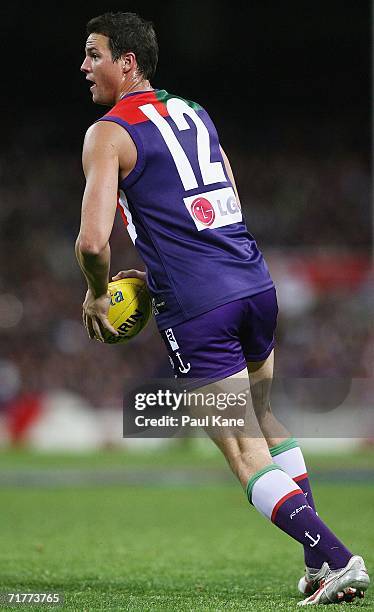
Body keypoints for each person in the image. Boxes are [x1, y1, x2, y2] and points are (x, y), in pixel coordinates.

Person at [76, 12, 369, 606]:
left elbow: (91, 242)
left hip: (198, 303)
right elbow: (224, 198)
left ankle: (339, 560)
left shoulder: (106, 133)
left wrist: (97, 290)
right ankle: (318, 563)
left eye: (93, 54)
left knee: (242, 451)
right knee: (265, 418)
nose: (84, 66)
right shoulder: (194, 113)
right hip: (254, 284)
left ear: (126, 62)